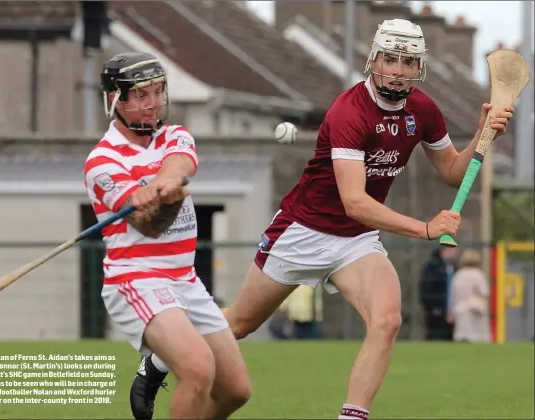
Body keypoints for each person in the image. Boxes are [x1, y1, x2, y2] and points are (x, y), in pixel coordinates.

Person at [220, 19, 514, 420]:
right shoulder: (349, 112)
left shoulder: (423, 109)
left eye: (407, 62)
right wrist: (425, 228)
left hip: (355, 240)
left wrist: (483, 134)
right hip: (303, 230)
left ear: (419, 67)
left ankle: (352, 417)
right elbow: (355, 201)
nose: (397, 69)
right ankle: (160, 360)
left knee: (387, 320)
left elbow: (452, 173)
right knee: (239, 323)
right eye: (389, 59)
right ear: (373, 60)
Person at [84, 51, 251, 420]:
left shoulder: (174, 134)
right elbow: (149, 225)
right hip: (137, 279)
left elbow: (181, 163)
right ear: (116, 100)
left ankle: (155, 369)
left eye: (158, 91)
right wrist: (145, 200)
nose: (153, 103)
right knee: (197, 369)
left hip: (184, 279)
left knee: (236, 390)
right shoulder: (103, 162)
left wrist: (161, 185)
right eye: (142, 95)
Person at [447, 249, 491, 342]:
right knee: (477, 336)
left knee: (462, 335)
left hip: (460, 308)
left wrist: (450, 310)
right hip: (476, 308)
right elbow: (485, 292)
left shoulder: (458, 274)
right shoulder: (478, 275)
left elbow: (453, 294)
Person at [419, 247, 459, 340]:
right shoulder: (432, 268)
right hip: (436, 310)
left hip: (452, 310)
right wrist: (433, 307)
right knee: (436, 335)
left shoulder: (454, 268)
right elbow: (426, 288)